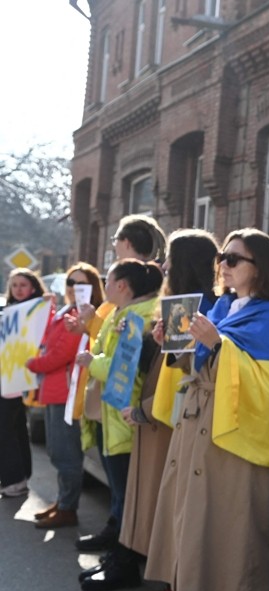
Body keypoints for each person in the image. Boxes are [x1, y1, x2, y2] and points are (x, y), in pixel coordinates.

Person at [145, 229, 269, 591]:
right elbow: (200, 364)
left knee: (238, 539)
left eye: (234, 258)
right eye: (221, 258)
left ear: (260, 267)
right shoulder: (223, 307)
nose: (224, 265)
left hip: (238, 442)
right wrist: (173, 344)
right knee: (206, 532)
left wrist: (215, 343)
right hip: (203, 434)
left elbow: (268, 389)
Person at [127, 229, 220, 591]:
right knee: (171, 510)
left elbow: (186, 373)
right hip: (170, 414)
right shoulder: (181, 305)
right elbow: (175, 364)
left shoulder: (203, 307)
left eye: (170, 259)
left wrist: (150, 408)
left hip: (181, 419)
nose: (163, 266)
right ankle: (175, 587)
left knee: (181, 511)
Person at [71, 213, 167, 550]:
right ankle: (117, 540)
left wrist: (93, 362)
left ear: (126, 244)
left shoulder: (142, 309)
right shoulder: (123, 308)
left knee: (127, 491)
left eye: (115, 241)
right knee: (119, 489)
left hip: (125, 411)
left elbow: (123, 362)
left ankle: (123, 551)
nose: (112, 246)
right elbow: (106, 343)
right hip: (111, 410)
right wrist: (87, 328)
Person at [27, 263, 104, 527]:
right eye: (70, 283)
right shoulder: (67, 312)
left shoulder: (86, 317)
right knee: (56, 452)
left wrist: (31, 363)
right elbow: (47, 340)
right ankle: (62, 501)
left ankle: (68, 507)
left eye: (81, 284)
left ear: (93, 287)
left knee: (66, 453)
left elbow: (60, 354)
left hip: (66, 393)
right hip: (54, 391)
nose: (74, 288)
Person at [0, 268, 46, 498]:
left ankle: (13, 480)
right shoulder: (7, 310)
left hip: (21, 378)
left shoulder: (38, 310)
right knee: (16, 427)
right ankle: (21, 476)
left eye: (23, 285)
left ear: (34, 287)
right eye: (14, 285)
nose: (18, 289)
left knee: (5, 428)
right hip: (6, 376)